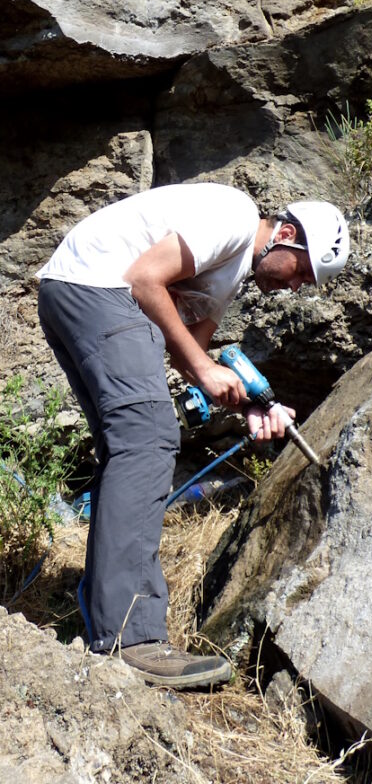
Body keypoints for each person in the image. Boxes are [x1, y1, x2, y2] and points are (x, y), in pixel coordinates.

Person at [36, 182, 350, 689]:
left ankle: (104, 613)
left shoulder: (225, 280)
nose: (296, 288)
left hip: (74, 290)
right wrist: (205, 369)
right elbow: (143, 280)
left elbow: (185, 355)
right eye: (302, 273)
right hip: (98, 287)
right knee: (148, 436)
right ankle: (130, 636)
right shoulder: (233, 215)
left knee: (132, 442)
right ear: (287, 235)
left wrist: (249, 404)